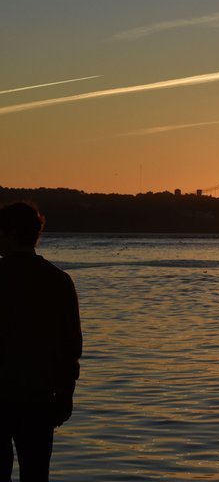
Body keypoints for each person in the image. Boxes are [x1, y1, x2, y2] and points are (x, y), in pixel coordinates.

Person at [0, 202, 82, 481]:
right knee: (36, 474)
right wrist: (66, 395)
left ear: (10, 234)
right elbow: (71, 348)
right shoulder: (59, 281)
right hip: (39, 398)